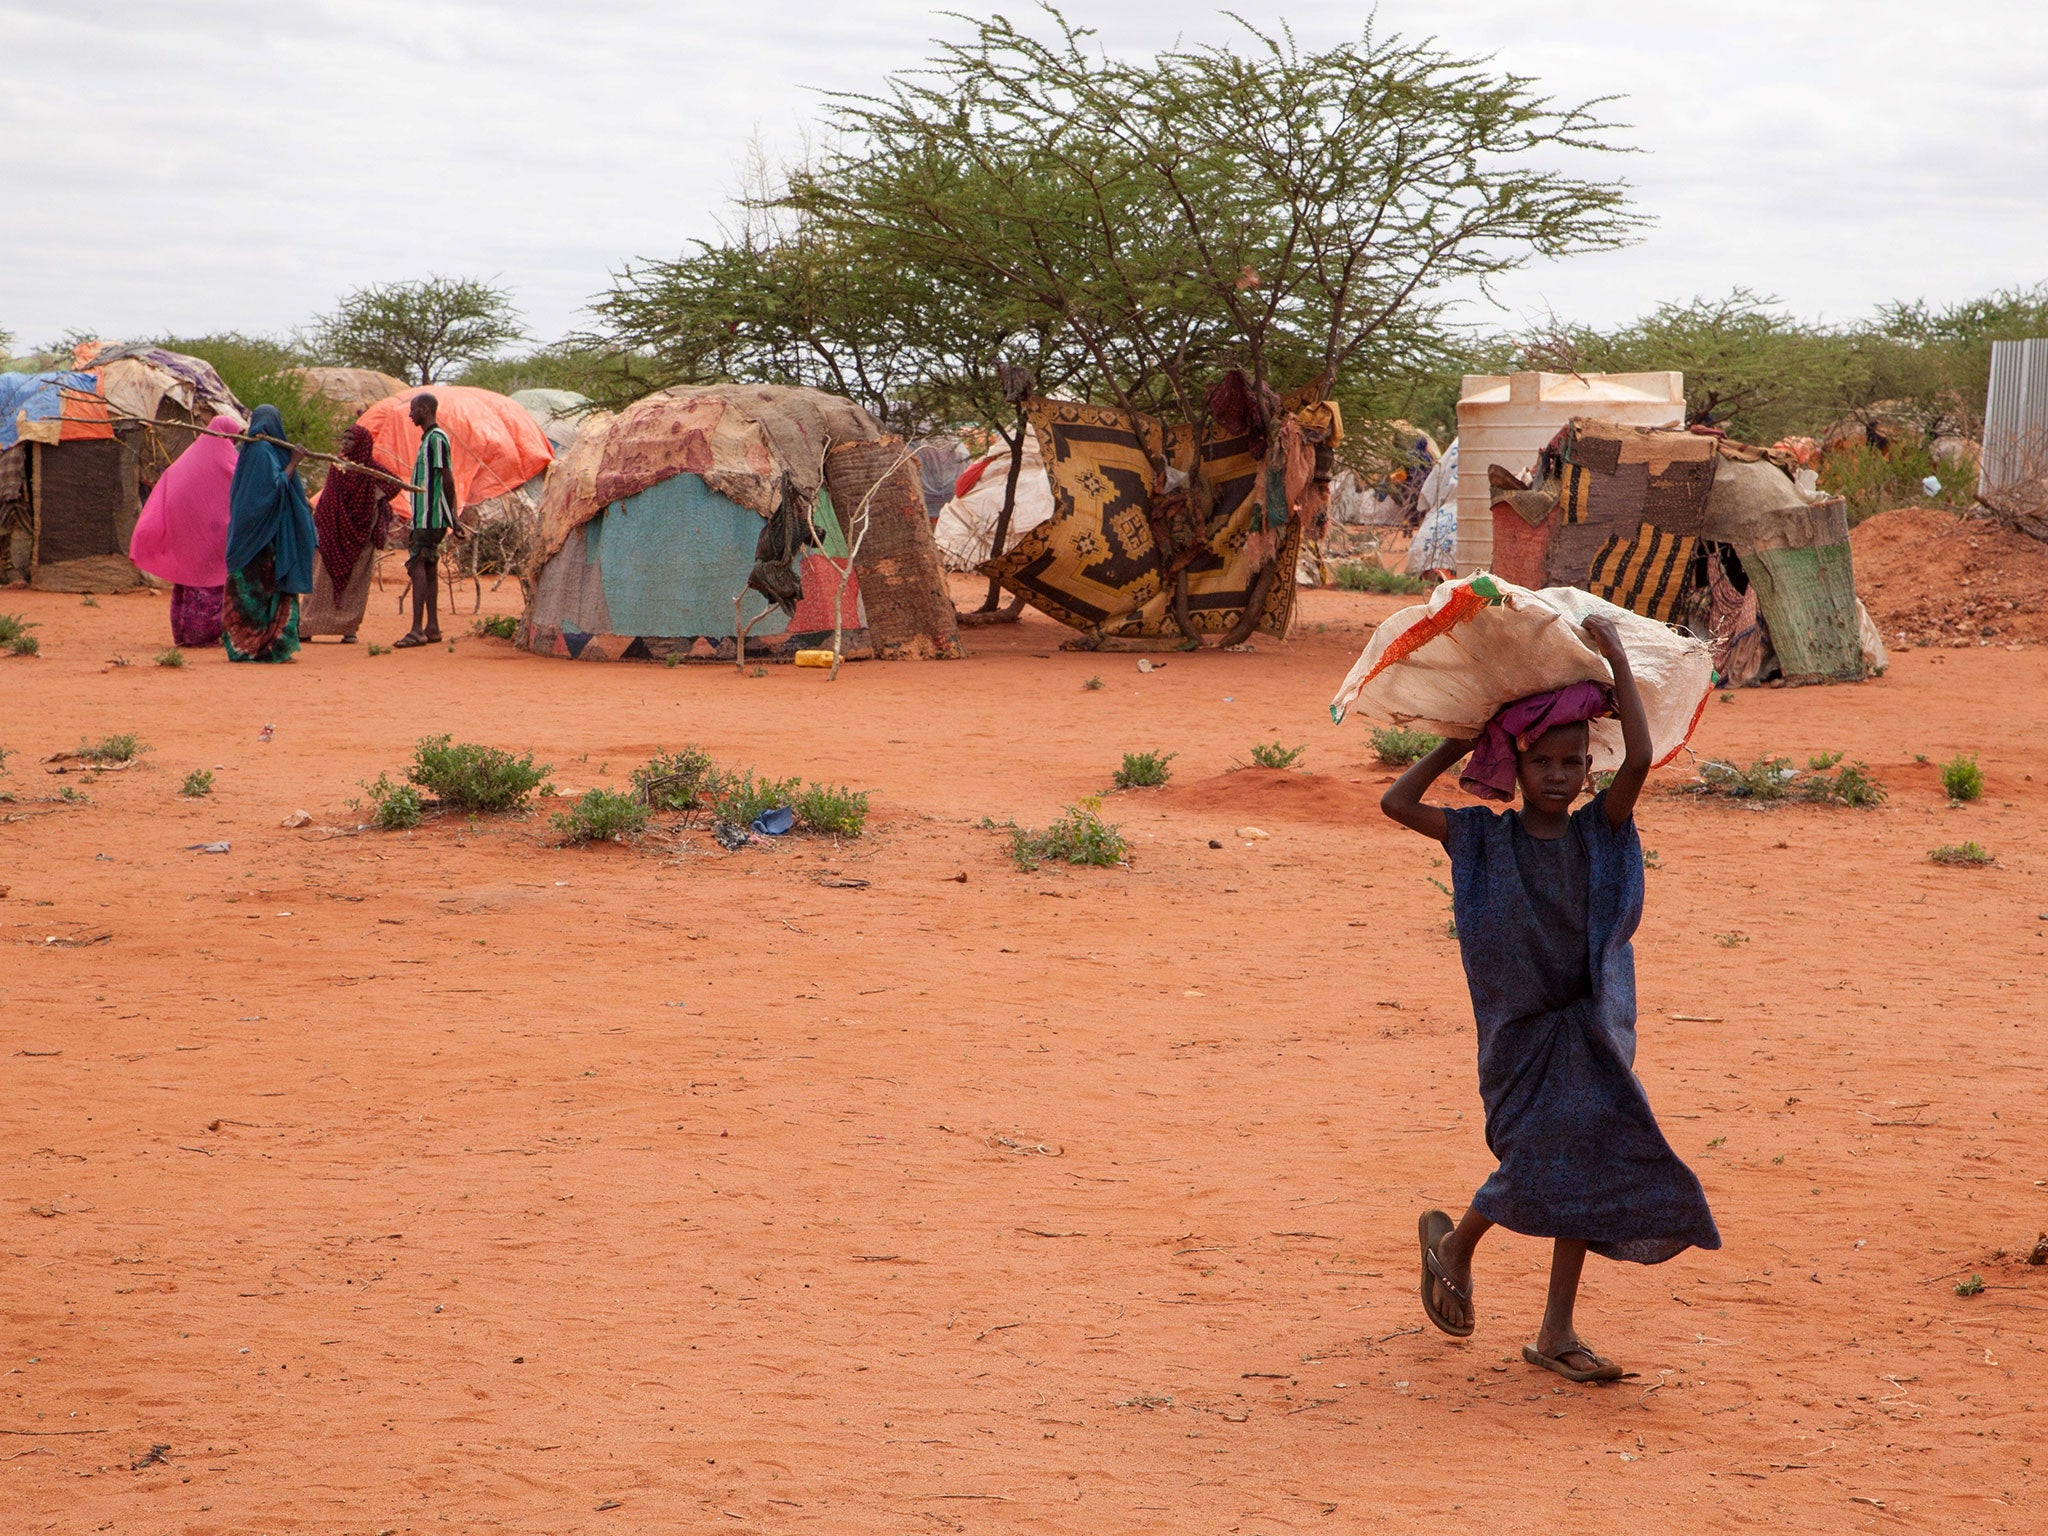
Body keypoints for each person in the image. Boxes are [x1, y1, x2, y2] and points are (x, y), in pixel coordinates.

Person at [1380, 612, 1719, 1383]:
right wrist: (1463, 740)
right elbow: (1396, 805)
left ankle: (1556, 1331)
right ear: (1518, 768)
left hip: (1594, 1027)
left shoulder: (1600, 831)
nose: (1561, 776)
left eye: (1573, 763)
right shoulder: (1482, 839)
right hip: (1523, 1035)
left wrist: (1617, 661)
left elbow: (1639, 755)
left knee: (1587, 1160)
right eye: (1544, 763)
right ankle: (1457, 1247)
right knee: (1539, 1155)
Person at [128, 413, 242, 648]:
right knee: (210, 585)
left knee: (189, 582)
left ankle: (184, 633)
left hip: (189, 537)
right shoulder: (228, 461)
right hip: (214, 537)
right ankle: (205, 635)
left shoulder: (188, 459)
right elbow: (238, 494)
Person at [221, 404, 318, 664]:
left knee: (260, 592)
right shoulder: (261, 451)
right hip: (262, 540)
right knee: (264, 591)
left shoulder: (253, 449)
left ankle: (251, 646)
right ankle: (264, 646)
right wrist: (294, 463)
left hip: (253, 536)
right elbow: (272, 490)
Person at [302, 424, 395, 643]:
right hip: (332, 532)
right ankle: (307, 626)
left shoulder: (371, 471)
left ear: (362, 444)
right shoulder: (338, 466)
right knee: (320, 578)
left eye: (351, 439)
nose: (345, 443)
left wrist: (373, 499)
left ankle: (348, 628)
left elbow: (393, 486)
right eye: (344, 439)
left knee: (355, 583)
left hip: (360, 536)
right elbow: (330, 499)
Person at [394, 392, 457, 649]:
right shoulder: (428, 440)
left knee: (416, 565)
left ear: (424, 409)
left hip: (431, 516)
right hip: (425, 516)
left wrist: (452, 516)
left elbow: (448, 478)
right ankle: (432, 628)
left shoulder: (436, 439)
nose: (410, 415)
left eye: (413, 410)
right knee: (428, 565)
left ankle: (417, 630)